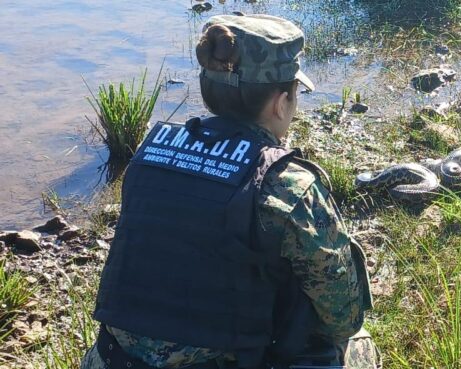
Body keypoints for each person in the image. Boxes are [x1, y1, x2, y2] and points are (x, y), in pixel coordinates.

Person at [80, 13, 379, 369]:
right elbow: (342, 318)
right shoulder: (289, 185)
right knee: (357, 344)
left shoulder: (150, 154)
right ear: (281, 103)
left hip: (112, 360)